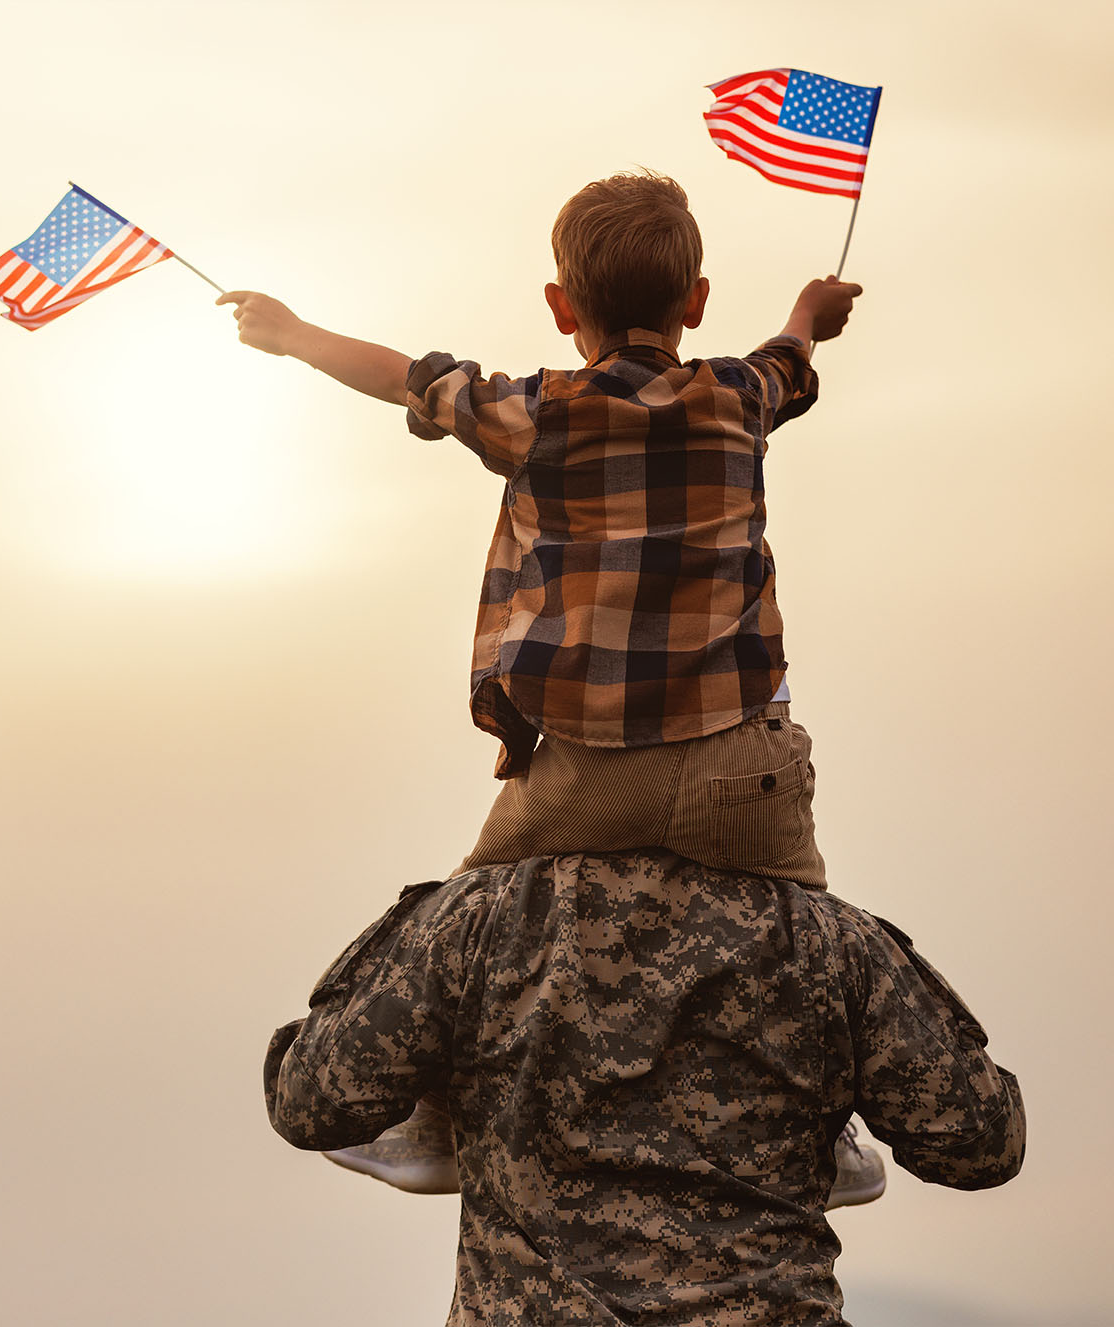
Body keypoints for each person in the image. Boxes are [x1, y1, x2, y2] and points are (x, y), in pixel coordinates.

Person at [222, 170, 867, 1187]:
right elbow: (791, 353)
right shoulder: (738, 396)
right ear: (695, 301)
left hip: (588, 766)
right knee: (806, 922)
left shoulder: (537, 414)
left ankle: (436, 1123)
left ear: (562, 309)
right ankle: (829, 1135)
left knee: (476, 914)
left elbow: (406, 376)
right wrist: (808, 310)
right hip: (744, 759)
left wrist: (293, 332)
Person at [263, 851, 1025, 1325]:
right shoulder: (832, 941)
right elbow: (981, 1142)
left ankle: (450, 1115)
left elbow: (311, 1101)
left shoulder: (473, 921)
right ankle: (824, 1136)